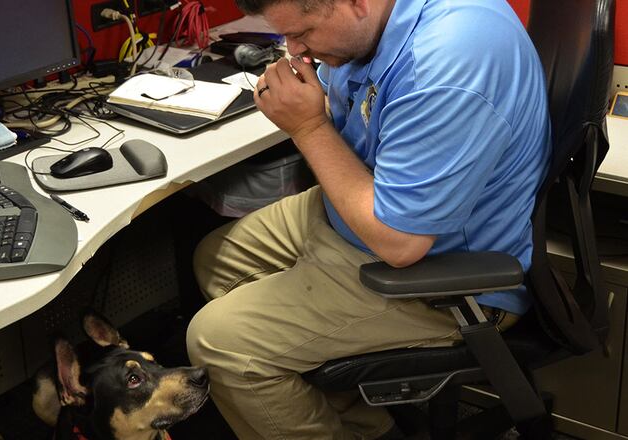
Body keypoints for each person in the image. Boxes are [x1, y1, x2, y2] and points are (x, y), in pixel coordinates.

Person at [186, 0, 551, 438]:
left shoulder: (446, 63)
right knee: (217, 259)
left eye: (303, 32)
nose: (294, 50)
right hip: (362, 209)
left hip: (438, 269)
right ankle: (366, 428)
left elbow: (400, 243)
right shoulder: (370, 28)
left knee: (220, 343)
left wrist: (307, 127)